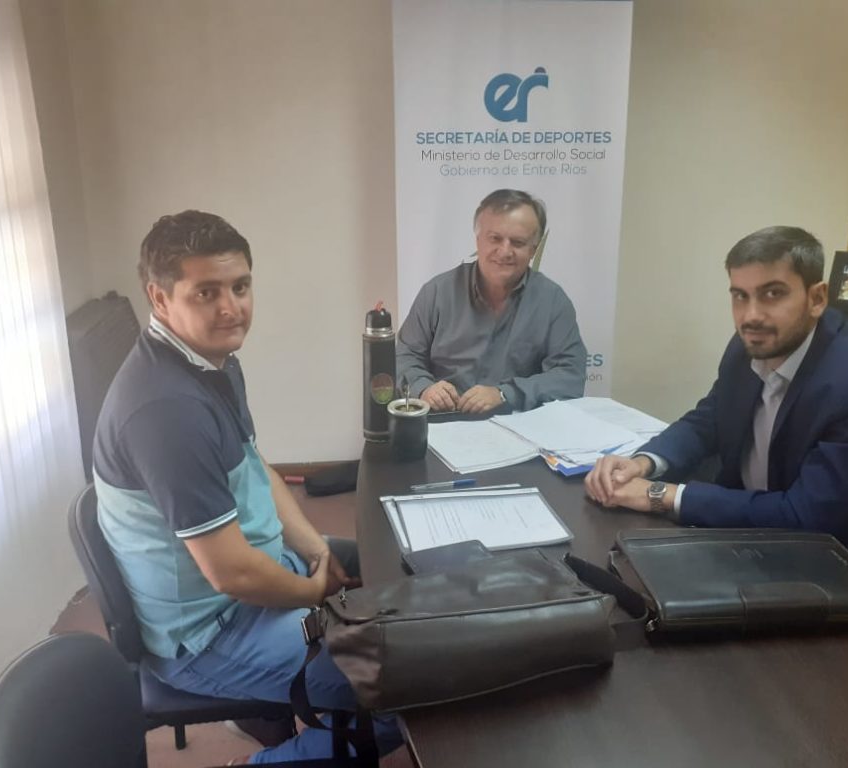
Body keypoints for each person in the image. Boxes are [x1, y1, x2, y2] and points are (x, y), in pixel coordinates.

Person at [92, 210, 401, 763]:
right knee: (407, 692)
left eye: (239, 286)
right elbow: (231, 573)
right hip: (213, 633)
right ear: (159, 299)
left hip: (258, 574)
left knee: (389, 564)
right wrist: (313, 591)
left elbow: (256, 467)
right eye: (206, 293)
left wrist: (315, 551)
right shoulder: (166, 411)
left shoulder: (212, 360)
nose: (230, 307)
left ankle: (297, 708)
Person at [584, 225, 848, 661]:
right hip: (767, 547)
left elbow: (805, 516)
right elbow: (710, 418)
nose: (750, 314)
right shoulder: (749, 346)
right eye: (740, 295)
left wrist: (661, 495)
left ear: (816, 298)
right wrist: (645, 463)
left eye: (772, 294)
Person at [396, 188, 587, 413]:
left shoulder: (553, 301)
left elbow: (569, 377)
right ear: (478, 240)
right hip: (445, 420)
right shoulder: (437, 292)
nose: (504, 251)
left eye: (517, 242)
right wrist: (424, 388)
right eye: (495, 238)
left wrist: (505, 394)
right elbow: (404, 356)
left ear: (533, 250)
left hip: (518, 424)